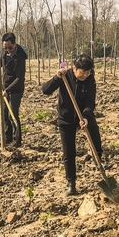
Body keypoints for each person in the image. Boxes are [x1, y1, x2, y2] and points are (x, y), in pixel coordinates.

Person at [42, 54, 102, 196]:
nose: (85, 75)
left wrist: (86, 117)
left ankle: (99, 158)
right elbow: (45, 90)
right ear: (74, 68)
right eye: (82, 72)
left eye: (88, 72)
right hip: (66, 118)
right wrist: (57, 77)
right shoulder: (65, 76)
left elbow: (90, 102)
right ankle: (71, 183)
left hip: (84, 115)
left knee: (95, 136)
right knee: (69, 152)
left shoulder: (90, 80)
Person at [0, 32, 27, 147]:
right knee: (4, 114)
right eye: (5, 48)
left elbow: (19, 79)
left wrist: (8, 90)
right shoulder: (4, 51)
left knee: (12, 114)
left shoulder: (20, 57)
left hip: (16, 88)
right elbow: (0, 61)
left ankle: (17, 140)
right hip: (5, 85)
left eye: (10, 47)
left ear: (15, 44)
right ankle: (7, 137)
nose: (8, 50)